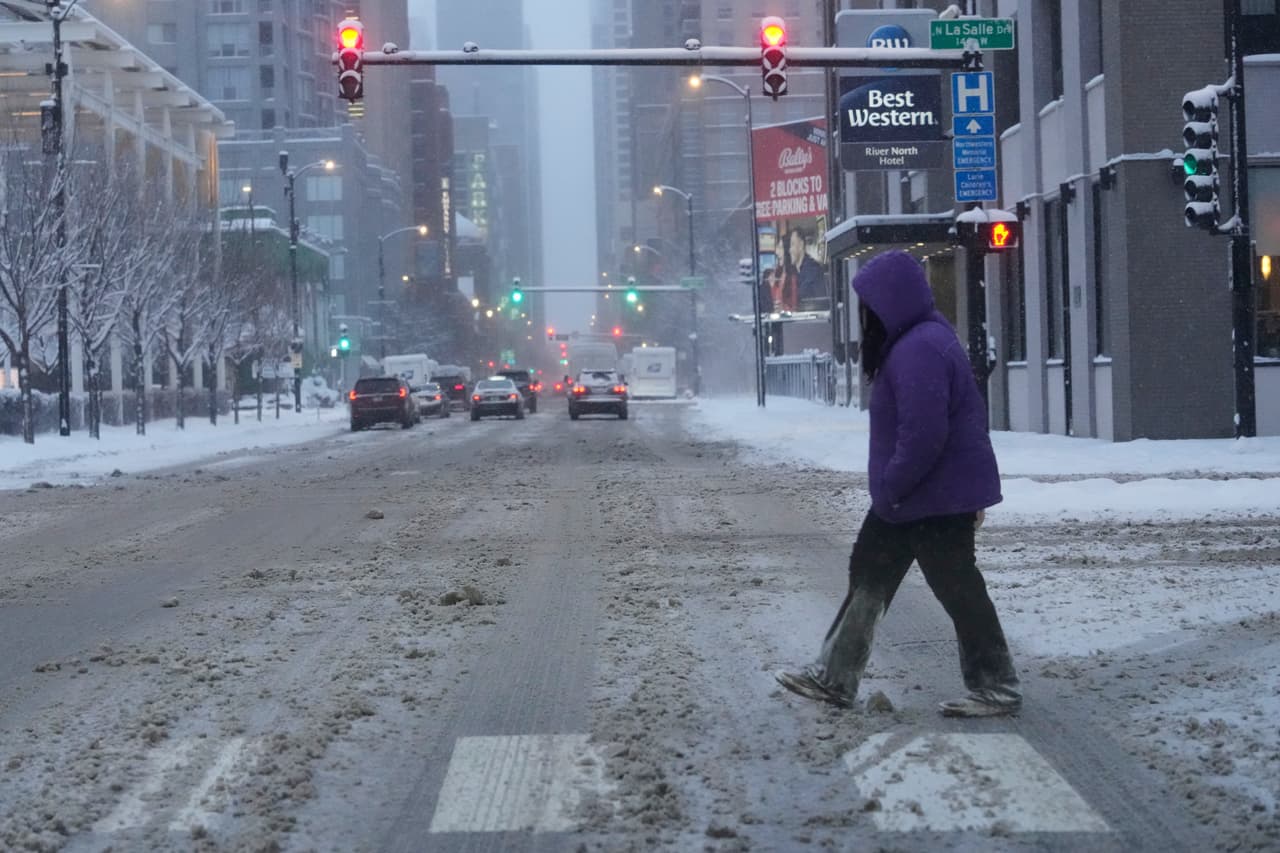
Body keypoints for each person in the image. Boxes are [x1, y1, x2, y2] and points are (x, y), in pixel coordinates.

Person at [775, 250, 1021, 717]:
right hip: (923, 494)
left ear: (889, 302)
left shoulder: (919, 349)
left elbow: (924, 434)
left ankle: (997, 685)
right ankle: (835, 676)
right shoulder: (921, 340)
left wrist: (891, 486)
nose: (865, 314)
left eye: (869, 303)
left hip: (930, 495)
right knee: (873, 573)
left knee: (955, 585)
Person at [789, 229, 825, 305]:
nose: (790, 250)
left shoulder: (813, 269)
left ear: (801, 245)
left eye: (792, 244)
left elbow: (802, 295)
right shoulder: (794, 271)